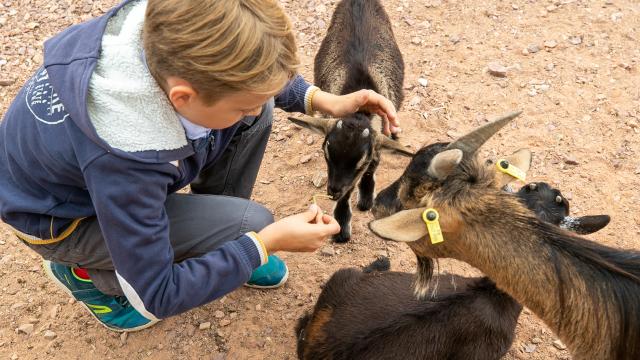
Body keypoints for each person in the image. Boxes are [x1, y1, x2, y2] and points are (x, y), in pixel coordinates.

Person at [0, 0, 400, 332]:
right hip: (64, 220)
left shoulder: (171, 30)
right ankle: (87, 277)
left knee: (256, 114)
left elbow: (254, 82)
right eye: (240, 101)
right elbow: (157, 294)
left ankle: (217, 240)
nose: (254, 103)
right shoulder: (124, 157)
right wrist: (262, 245)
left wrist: (321, 100)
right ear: (183, 96)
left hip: (98, 179)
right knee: (253, 223)